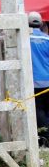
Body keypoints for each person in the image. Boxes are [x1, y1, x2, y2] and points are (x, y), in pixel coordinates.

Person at [27, 11, 49, 146]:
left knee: (38, 110)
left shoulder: (24, 39)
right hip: (48, 81)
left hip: (34, 82)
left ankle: (45, 138)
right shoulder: (47, 39)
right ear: (41, 23)